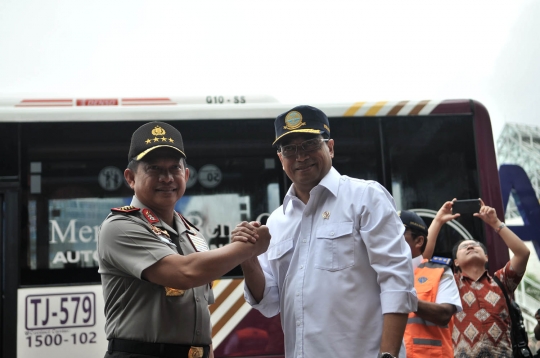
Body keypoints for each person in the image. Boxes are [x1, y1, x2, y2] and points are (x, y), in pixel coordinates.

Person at [233, 105, 417, 358]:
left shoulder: (365, 197)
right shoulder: (277, 221)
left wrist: (388, 355)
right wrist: (248, 257)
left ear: (329, 147)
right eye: (289, 149)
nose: (300, 156)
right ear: (280, 158)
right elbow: (269, 303)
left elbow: (397, 281)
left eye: (309, 144)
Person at [97, 121, 270, 358]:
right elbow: (185, 274)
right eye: (154, 168)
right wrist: (247, 247)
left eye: (174, 169)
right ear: (130, 178)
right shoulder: (120, 226)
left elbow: (200, 312)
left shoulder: (192, 234)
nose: (166, 178)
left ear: (186, 175)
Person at [427, 198, 530, 357]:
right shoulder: (450, 283)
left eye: (475, 245)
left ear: (486, 257)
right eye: (463, 247)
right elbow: (423, 261)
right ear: (456, 262)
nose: (470, 246)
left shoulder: (502, 281)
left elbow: (523, 253)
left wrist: (496, 223)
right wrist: (438, 221)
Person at [399, 210, 462, 358]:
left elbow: (444, 314)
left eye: (399, 231)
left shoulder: (439, 271)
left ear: (419, 241)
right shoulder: (378, 274)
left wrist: (402, 297)